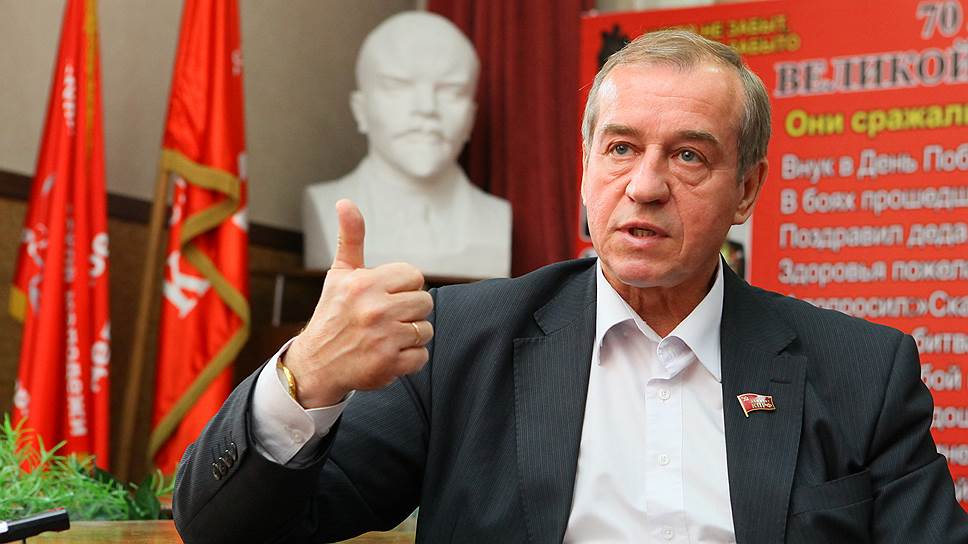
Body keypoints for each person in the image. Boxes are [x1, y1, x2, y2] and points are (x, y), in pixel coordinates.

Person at [173, 30, 968, 543]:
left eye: (689, 156)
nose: (645, 186)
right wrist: (305, 376)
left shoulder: (861, 372)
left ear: (747, 190)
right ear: (585, 165)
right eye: (621, 148)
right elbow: (221, 530)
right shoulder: (459, 344)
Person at [302, 11, 511, 279]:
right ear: (361, 109)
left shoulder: (495, 217)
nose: (426, 107)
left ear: (471, 116)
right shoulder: (324, 206)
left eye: (451, 90)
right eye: (397, 85)